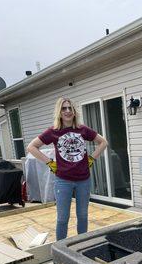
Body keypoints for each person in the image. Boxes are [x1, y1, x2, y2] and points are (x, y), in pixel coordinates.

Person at [27, 97, 108, 250]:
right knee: (63, 219)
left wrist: (91, 159)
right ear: (59, 111)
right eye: (64, 108)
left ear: (74, 111)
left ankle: (82, 249)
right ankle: (61, 254)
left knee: (83, 216)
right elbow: (32, 147)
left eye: (70, 108)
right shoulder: (53, 132)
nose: (68, 111)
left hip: (83, 180)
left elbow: (103, 142)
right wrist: (49, 163)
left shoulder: (82, 129)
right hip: (62, 181)